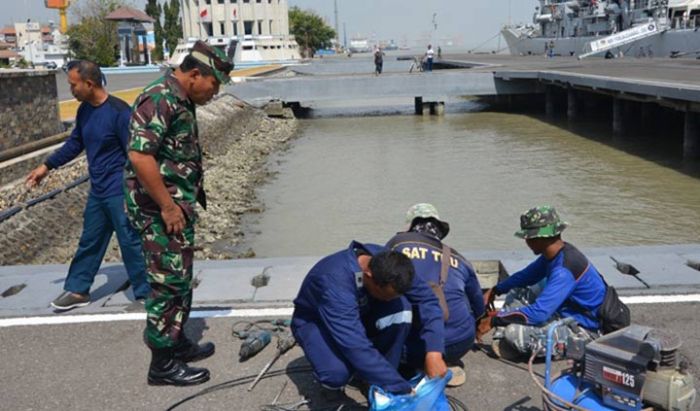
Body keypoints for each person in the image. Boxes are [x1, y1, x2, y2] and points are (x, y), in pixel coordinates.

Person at [124, 40, 233, 386]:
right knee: (166, 284)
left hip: (175, 208)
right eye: (213, 85)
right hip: (160, 211)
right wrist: (168, 207)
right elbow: (140, 157)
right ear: (195, 74)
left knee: (180, 281)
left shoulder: (181, 99)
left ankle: (176, 342)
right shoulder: (160, 98)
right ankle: (162, 364)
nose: (214, 93)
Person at [25, 60, 150, 311]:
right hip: (98, 191)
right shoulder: (84, 111)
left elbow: (135, 155)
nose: (71, 89)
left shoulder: (119, 112)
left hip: (119, 190)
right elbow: (75, 144)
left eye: (73, 85)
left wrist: (134, 192)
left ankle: (147, 292)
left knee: (129, 240)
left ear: (89, 84)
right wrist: (46, 167)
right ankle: (78, 290)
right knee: (90, 240)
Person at [291, 241, 447, 398]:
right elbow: (354, 344)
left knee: (402, 309)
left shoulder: (393, 265)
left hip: (361, 311)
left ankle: (379, 378)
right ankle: (374, 377)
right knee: (336, 374)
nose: (388, 300)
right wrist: (403, 389)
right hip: (317, 322)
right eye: (386, 296)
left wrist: (434, 352)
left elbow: (428, 300)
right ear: (368, 276)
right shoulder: (334, 283)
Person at [477, 206, 606, 357]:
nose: (526, 241)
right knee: (518, 289)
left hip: (584, 330)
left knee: (513, 333)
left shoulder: (564, 270)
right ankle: (503, 337)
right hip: (565, 313)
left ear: (539, 238)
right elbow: (525, 276)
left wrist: (495, 319)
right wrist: (496, 290)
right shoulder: (556, 254)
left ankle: (511, 337)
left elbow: (538, 314)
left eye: (528, 238)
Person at [387, 204, 484, 387]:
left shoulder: (397, 244)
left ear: (411, 226)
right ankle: (445, 361)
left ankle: (412, 367)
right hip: (460, 343)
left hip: (413, 349)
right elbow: (479, 308)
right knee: (458, 297)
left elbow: (380, 278)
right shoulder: (460, 259)